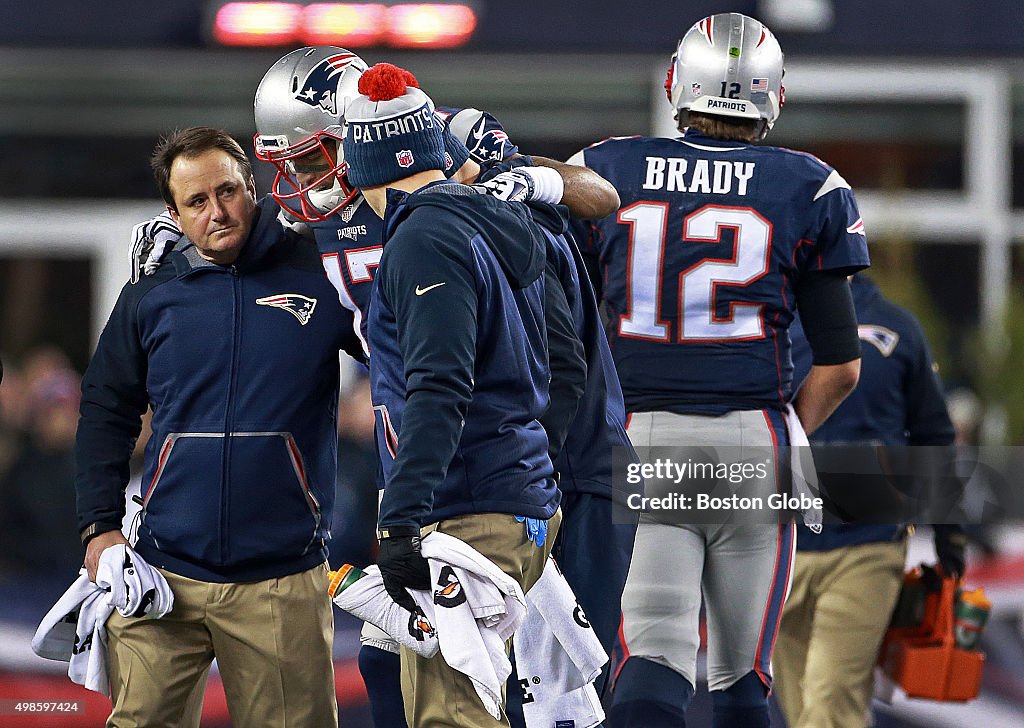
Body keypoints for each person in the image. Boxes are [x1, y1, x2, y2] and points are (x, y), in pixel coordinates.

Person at [133, 45, 624, 728]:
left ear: (362, 131)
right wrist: (186, 264)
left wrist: (527, 178)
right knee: (393, 665)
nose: (300, 180)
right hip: (443, 466)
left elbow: (554, 339)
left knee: (549, 693)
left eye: (311, 156)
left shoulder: (450, 161)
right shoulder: (319, 219)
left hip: (529, 457)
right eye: (288, 162)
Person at [569, 13, 869, 728]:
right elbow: (841, 367)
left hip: (640, 437)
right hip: (759, 439)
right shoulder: (810, 185)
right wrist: (785, 428)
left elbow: (565, 326)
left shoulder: (606, 168)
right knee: (744, 678)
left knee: (652, 657)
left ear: (676, 82)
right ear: (773, 98)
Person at [75, 127, 364, 727]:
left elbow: (407, 366)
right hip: (161, 573)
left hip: (282, 576)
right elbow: (106, 407)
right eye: (196, 203)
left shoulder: (320, 270)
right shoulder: (150, 291)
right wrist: (98, 526)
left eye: (227, 192)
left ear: (251, 187)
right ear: (173, 214)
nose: (217, 212)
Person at [342, 61, 581, 727]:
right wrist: (529, 468)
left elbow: (441, 386)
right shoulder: (500, 222)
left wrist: (401, 517)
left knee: (453, 715)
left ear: (365, 166)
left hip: (471, 510)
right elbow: (565, 366)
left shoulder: (423, 237)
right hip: (518, 500)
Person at [773, 274, 966, 728]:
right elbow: (934, 436)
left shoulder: (773, 324)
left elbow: (932, 437)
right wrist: (950, 535)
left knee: (827, 704)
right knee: (810, 707)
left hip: (834, 544)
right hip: (813, 543)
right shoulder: (898, 327)